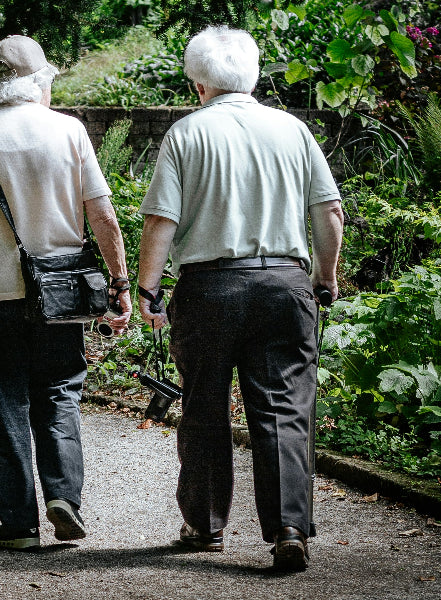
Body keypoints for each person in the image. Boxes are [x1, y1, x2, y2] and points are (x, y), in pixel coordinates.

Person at [137, 25, 343, 572]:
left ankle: (204, 526)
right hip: (283, 284)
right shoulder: (292, 130)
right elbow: (329, 211)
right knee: (283, 409)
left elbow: (162, 220)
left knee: (203, 404)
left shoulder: (186, 134)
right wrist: (325, 276)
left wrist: (148, 289)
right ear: (252, 76)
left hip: (209, 289)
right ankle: (289, 529)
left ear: (198, 84)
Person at [0, 35, 132, 551]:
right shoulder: (69, 131)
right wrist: (120, 283)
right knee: (60, 392)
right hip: (60, 292)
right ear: (39, 80)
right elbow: (102, 215)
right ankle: (64, 496)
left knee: (0, 403)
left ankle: (18, 523)